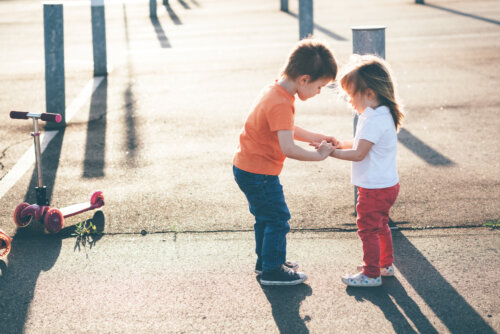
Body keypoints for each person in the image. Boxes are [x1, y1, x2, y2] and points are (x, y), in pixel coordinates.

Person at [233, 39, 338, 286]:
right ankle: (272, 270)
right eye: (320, 86)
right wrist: (318, 155)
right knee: (278, 218)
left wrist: (316, 137)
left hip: (247, 168)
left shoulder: (275, 90)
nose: (319, 92)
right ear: (304, 79)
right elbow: (288, 147)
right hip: (259, 173)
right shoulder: (281, 102)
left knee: (265, 218)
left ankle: (267, 262)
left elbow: (284, 128)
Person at [329, 54, 404, 287]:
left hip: (373, 188)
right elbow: (361, 143)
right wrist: (338, 144)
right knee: (381, 226)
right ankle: (384, 264)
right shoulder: (380, 114)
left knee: (368, 229)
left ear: (370, 93)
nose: (349, 101)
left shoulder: (373, 119)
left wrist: (330, 153)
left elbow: (359, 153)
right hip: (387, 184)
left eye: (352, 95)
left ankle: (371, 274)